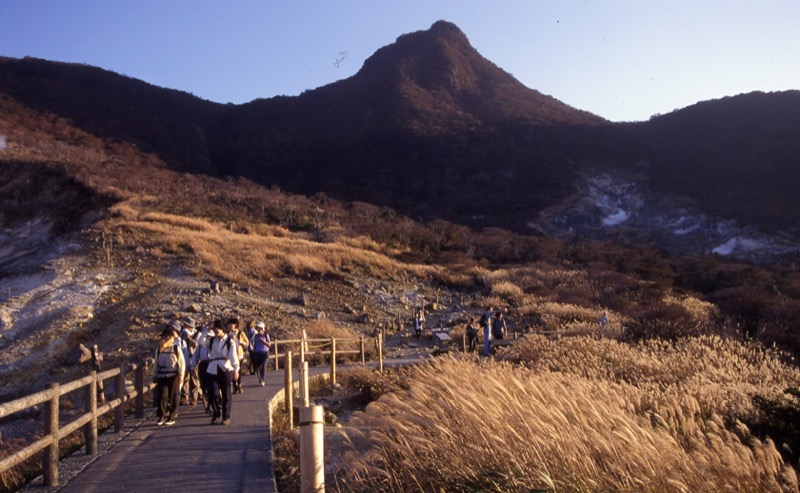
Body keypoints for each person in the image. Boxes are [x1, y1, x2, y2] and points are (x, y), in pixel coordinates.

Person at [207, 319, 240, 425]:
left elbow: (233, 356)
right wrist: (206, 330)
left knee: (226, 393)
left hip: (225, 367)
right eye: (214, 328)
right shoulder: (211, 340)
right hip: (212, 368)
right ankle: (216, 413)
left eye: (218, 328)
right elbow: (200, 342)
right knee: (212, 393)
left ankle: (226, 416)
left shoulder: (229, 341)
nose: (216, 330)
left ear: (222, 329)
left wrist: (236, 369)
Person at [153, 327, 186, 426]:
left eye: (167, 337)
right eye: (163, 337)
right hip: (162, 375)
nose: (165, 339)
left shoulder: (176, 348)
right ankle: (161, 415)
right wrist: (154, 374)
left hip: (173, 375)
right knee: (162, 396)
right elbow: (155, 363)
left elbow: (181, 363)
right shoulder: (159, 350)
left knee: (173, 396)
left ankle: (172, 415)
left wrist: (181, 374)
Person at [180, 316, 201, 406]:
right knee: (185, 378)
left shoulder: (197, 334)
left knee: (194, 378)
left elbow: (196, 344)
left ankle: (194, 397)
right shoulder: (182, 334)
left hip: (193, 358)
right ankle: (184, 396)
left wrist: (189, 338)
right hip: (184, 358)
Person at [226, 317, 248, 394]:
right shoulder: (227, 334)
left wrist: (240, 341)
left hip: (239, 355)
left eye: (230, 324)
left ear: (235, 325)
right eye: (228, 324)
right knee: (232, 371)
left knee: (238, 370)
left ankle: (239, 384)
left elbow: (247, 342)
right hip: (231, 355)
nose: (229, 326)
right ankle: (235, 387)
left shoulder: (240, 333)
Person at [251, 321, 271, 386]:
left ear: (262, 328)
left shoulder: (265, 335)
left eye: (259, 328)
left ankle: (263, 379)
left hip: (265, 353)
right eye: (257, 328)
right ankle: (260, 380)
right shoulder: (255, 336)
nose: (258, 329)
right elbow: (254, 343)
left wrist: (263, 341)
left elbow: (269, 344)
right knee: (257, 368)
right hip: (257, 353)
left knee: (263, 366)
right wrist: (253, 349)